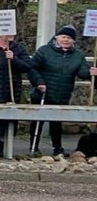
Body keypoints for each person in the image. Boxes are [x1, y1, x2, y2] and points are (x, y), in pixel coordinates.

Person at [28, 25, 96, 156]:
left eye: (69, 38)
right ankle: (33, 147)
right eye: (64, 37)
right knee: (37, 121)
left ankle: (57, 148)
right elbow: (32, 68)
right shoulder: (44, 51)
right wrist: (39, 82)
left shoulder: (78, 56)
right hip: (42, 92)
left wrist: (90, 72)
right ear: (57, 38)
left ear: (73, 41)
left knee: (56, 122)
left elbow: (81, 72)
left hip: (62, 94)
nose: (66, 40)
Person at [0, 33, 31, 158]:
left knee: (9, 120)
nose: (11, 34)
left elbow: (27, 66)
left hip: (12, 90)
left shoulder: (18, 48)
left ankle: (6, 148)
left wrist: (14, 59)